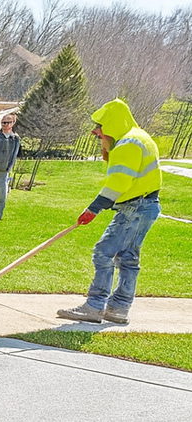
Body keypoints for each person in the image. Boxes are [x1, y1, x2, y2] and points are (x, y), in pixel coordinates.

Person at [57, 99, 162, 325]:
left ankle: (94, 306)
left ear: (113, 124)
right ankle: (118, 309)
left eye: (100, 126)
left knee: (103, 252)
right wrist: (108, 148)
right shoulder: (140, 137)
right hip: (146, 205)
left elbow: (119, 182)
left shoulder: (127, 144)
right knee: (128, 258)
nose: (95, 132)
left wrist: (93, 209)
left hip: (135, 207)